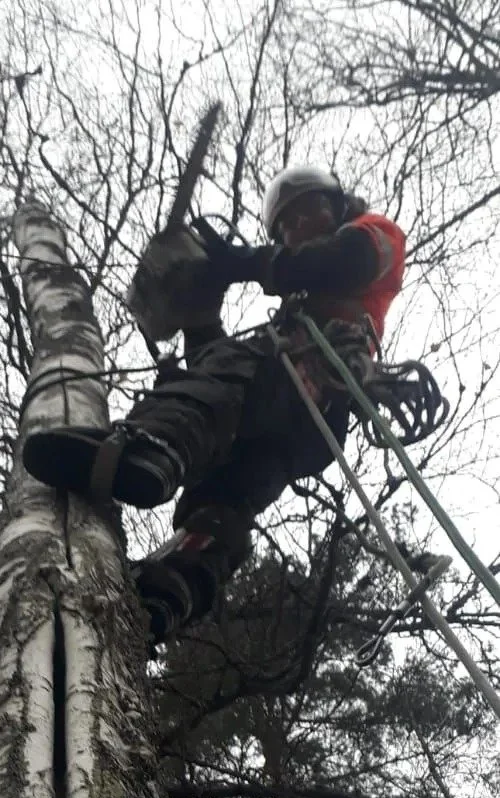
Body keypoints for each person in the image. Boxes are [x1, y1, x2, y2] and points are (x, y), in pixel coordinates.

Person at [22, 167, 406, 642]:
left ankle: (151, 446)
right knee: (226, 496)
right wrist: (200, 319)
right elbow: (219, 387)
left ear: (339, 203)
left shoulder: (373, 236)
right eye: (285, 224)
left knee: (229, 369)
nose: (296, 228)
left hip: (309, 386)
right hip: (298, 430)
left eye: (307, 211)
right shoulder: (297, 311)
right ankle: (175, 587)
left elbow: (337, 262)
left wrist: (242, 262)